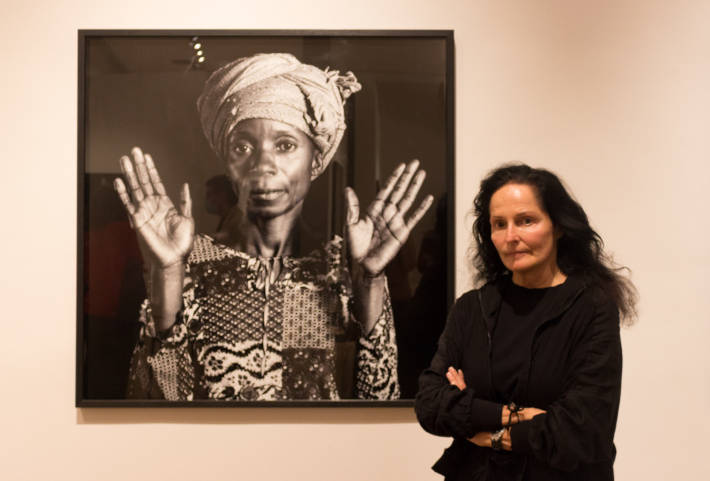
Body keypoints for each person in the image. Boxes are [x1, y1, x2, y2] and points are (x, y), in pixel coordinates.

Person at [114, 53, 433, 401]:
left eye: (285, 145)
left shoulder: (343, 268)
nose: (262, 165)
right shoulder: (192, 264)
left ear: (315, 160)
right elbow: (155, 405)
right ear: (228, 162)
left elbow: (379, 401)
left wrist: (370, 282)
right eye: (242, 146)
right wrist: (169, 273)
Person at [415, 164, 637, 480]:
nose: (511, 237)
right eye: (498, 224)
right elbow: (430, 404)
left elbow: (584, 429)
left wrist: (483, 429)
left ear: (558, 225)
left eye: (526, 221)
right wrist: (511, 415)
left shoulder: (592, 307)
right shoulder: (471, 308)